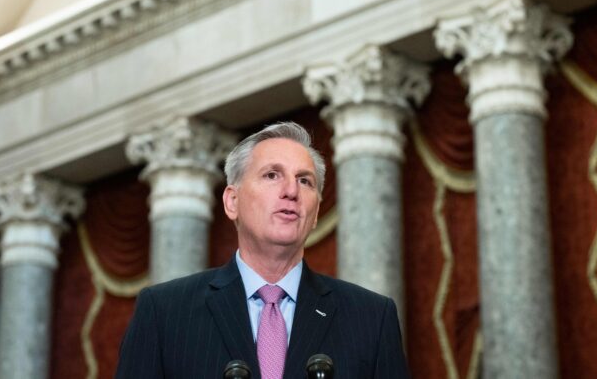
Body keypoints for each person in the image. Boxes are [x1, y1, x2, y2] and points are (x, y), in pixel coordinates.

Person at [115, 122, 411, 379]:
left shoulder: (371, 318)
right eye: (272, 175)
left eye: (304, 181)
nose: (291, 191)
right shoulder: (165, 312)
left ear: (317, 211)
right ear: (232, 202)